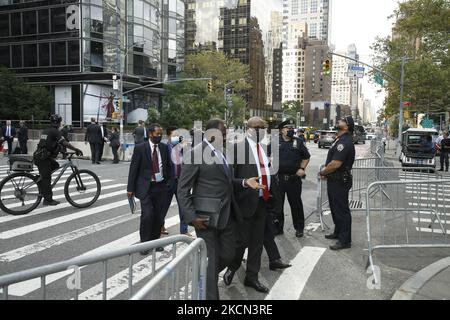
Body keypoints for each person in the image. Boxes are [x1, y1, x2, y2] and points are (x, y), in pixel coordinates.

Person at [177, 119, 262, 300]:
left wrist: (245, 182)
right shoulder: (195, 154)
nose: (226, 136)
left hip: (227, 215)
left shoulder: (223, 153)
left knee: (229, 254)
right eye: (224, 133)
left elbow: (227, 182)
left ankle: (205, 273)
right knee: (212, 260)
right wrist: (191, 217)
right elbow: (182, 190)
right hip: (205, 219)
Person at [223, 117, 291, 294]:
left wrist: (273, 197)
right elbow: (228, 180)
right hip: (244, 202)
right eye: (258, 127)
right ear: (248, 129)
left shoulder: (263, 147)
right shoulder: (236, 149)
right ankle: (232, 265)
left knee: (257, 243)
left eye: (264, 127)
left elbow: (267, 173)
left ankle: (251, 277)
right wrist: (245, 182)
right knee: (241, 242)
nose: (262, 130)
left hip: (263, 202)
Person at [127, 124, 173, 254]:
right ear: (150, 134)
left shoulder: (164, 148)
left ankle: (155, 241)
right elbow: (133, 168)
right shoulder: (140, 148)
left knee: (159, 216)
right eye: (157, 134)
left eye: (161, 134)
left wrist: (168, 182)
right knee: (147, 215)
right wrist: (130, 188)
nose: (159, 136)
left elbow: (168, 166)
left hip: (161, 186)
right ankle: (145, 243)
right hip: (146, 187)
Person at [320, 116, 356, 250]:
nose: (338, 122)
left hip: (340, 180)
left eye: (341, 121)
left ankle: (345, 240)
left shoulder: (344, 142)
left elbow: (336, 163)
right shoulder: (339, 139)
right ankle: (338, 232)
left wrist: (323, 172)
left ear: (346, 126)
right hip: (335, 179)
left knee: (341, 210)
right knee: (335, 209)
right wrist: (328, 173)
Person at [33, 115, 83, 206]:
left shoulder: (46, 130)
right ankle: (48, 200)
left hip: (39, 155)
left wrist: (62, 151)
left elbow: (50, 143)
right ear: (59, 123)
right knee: (47, 178)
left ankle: (41, 179)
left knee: (55, 165)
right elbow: (64, 143)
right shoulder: (56, 132)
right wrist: (76, 149)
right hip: (43, 158)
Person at [275, 119, 311, 237]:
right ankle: (278, 228)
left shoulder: (298, 141)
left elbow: (306, 157)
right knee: (278, 205)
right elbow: (265, 156)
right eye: (287, 128)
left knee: (296, 204)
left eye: (291, 128)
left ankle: (299, 228)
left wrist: (302, 168)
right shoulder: (274, 141)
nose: (290, 130)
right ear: (281, 130)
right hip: (279, 179)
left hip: (293, 179)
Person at [159, 126, 191, 236]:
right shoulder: (163, 148)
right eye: (174, 136)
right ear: (168, 136)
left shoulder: (182, 147)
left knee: (183, 207)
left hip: (181, 182)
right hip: (169, 182)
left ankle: (184, 230)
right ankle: (160, 226)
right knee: (163, 207)